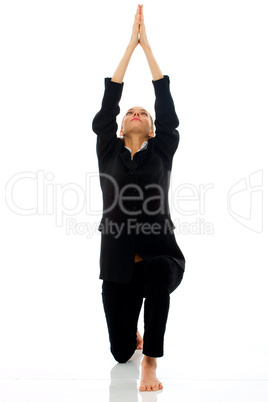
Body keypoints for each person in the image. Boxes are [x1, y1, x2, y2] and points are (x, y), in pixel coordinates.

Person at [92, 4, 186, 392]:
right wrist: (126, 48)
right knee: (118, 351)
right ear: (119, 126)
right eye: (129, 111)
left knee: (157, 272)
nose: (135, 113)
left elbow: (166, 110)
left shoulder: (162, 149)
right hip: (117, 267)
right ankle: (133, 346)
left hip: (161, 255)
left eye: (141, 113)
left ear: (149, 129)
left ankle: (150, 362)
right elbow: (106, 106)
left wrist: (146, 48)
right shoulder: (107, 151)